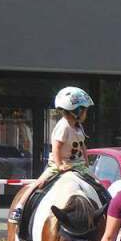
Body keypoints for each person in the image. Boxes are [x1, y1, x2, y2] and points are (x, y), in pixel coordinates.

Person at [9, 87, 95, 227]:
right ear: (77, 111)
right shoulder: (63, 126)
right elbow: (56, 147)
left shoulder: (78, 127)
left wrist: (85, 162)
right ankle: (20, 207)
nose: (86, 113)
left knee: (97, 184)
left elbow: (82, 145)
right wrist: (60, 164)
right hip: (59, 164)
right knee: (39, 183)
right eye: (85, 109)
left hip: (78, 165)